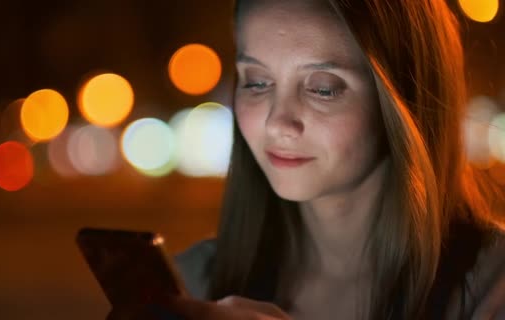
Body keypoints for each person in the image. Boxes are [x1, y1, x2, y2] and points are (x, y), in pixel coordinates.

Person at [110, 0, 505, 319]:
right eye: (257, 82)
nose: (277, 122)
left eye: (322, 89)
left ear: (406, 98)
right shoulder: (194, 283)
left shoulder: (490, 288)